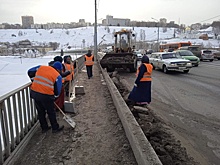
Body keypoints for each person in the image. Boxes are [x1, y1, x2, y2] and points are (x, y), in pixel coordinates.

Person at [27, 61, 64, 133]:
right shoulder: (57, 76)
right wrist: (54, 97)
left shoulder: (41, 67)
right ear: (59, 69)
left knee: (41, 112)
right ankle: (55, 128)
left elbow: (30, 71)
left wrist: (33, 80)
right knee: (51, 112)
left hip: (35, 93)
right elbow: (58, 91)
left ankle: (44, 128)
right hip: (46, 95)